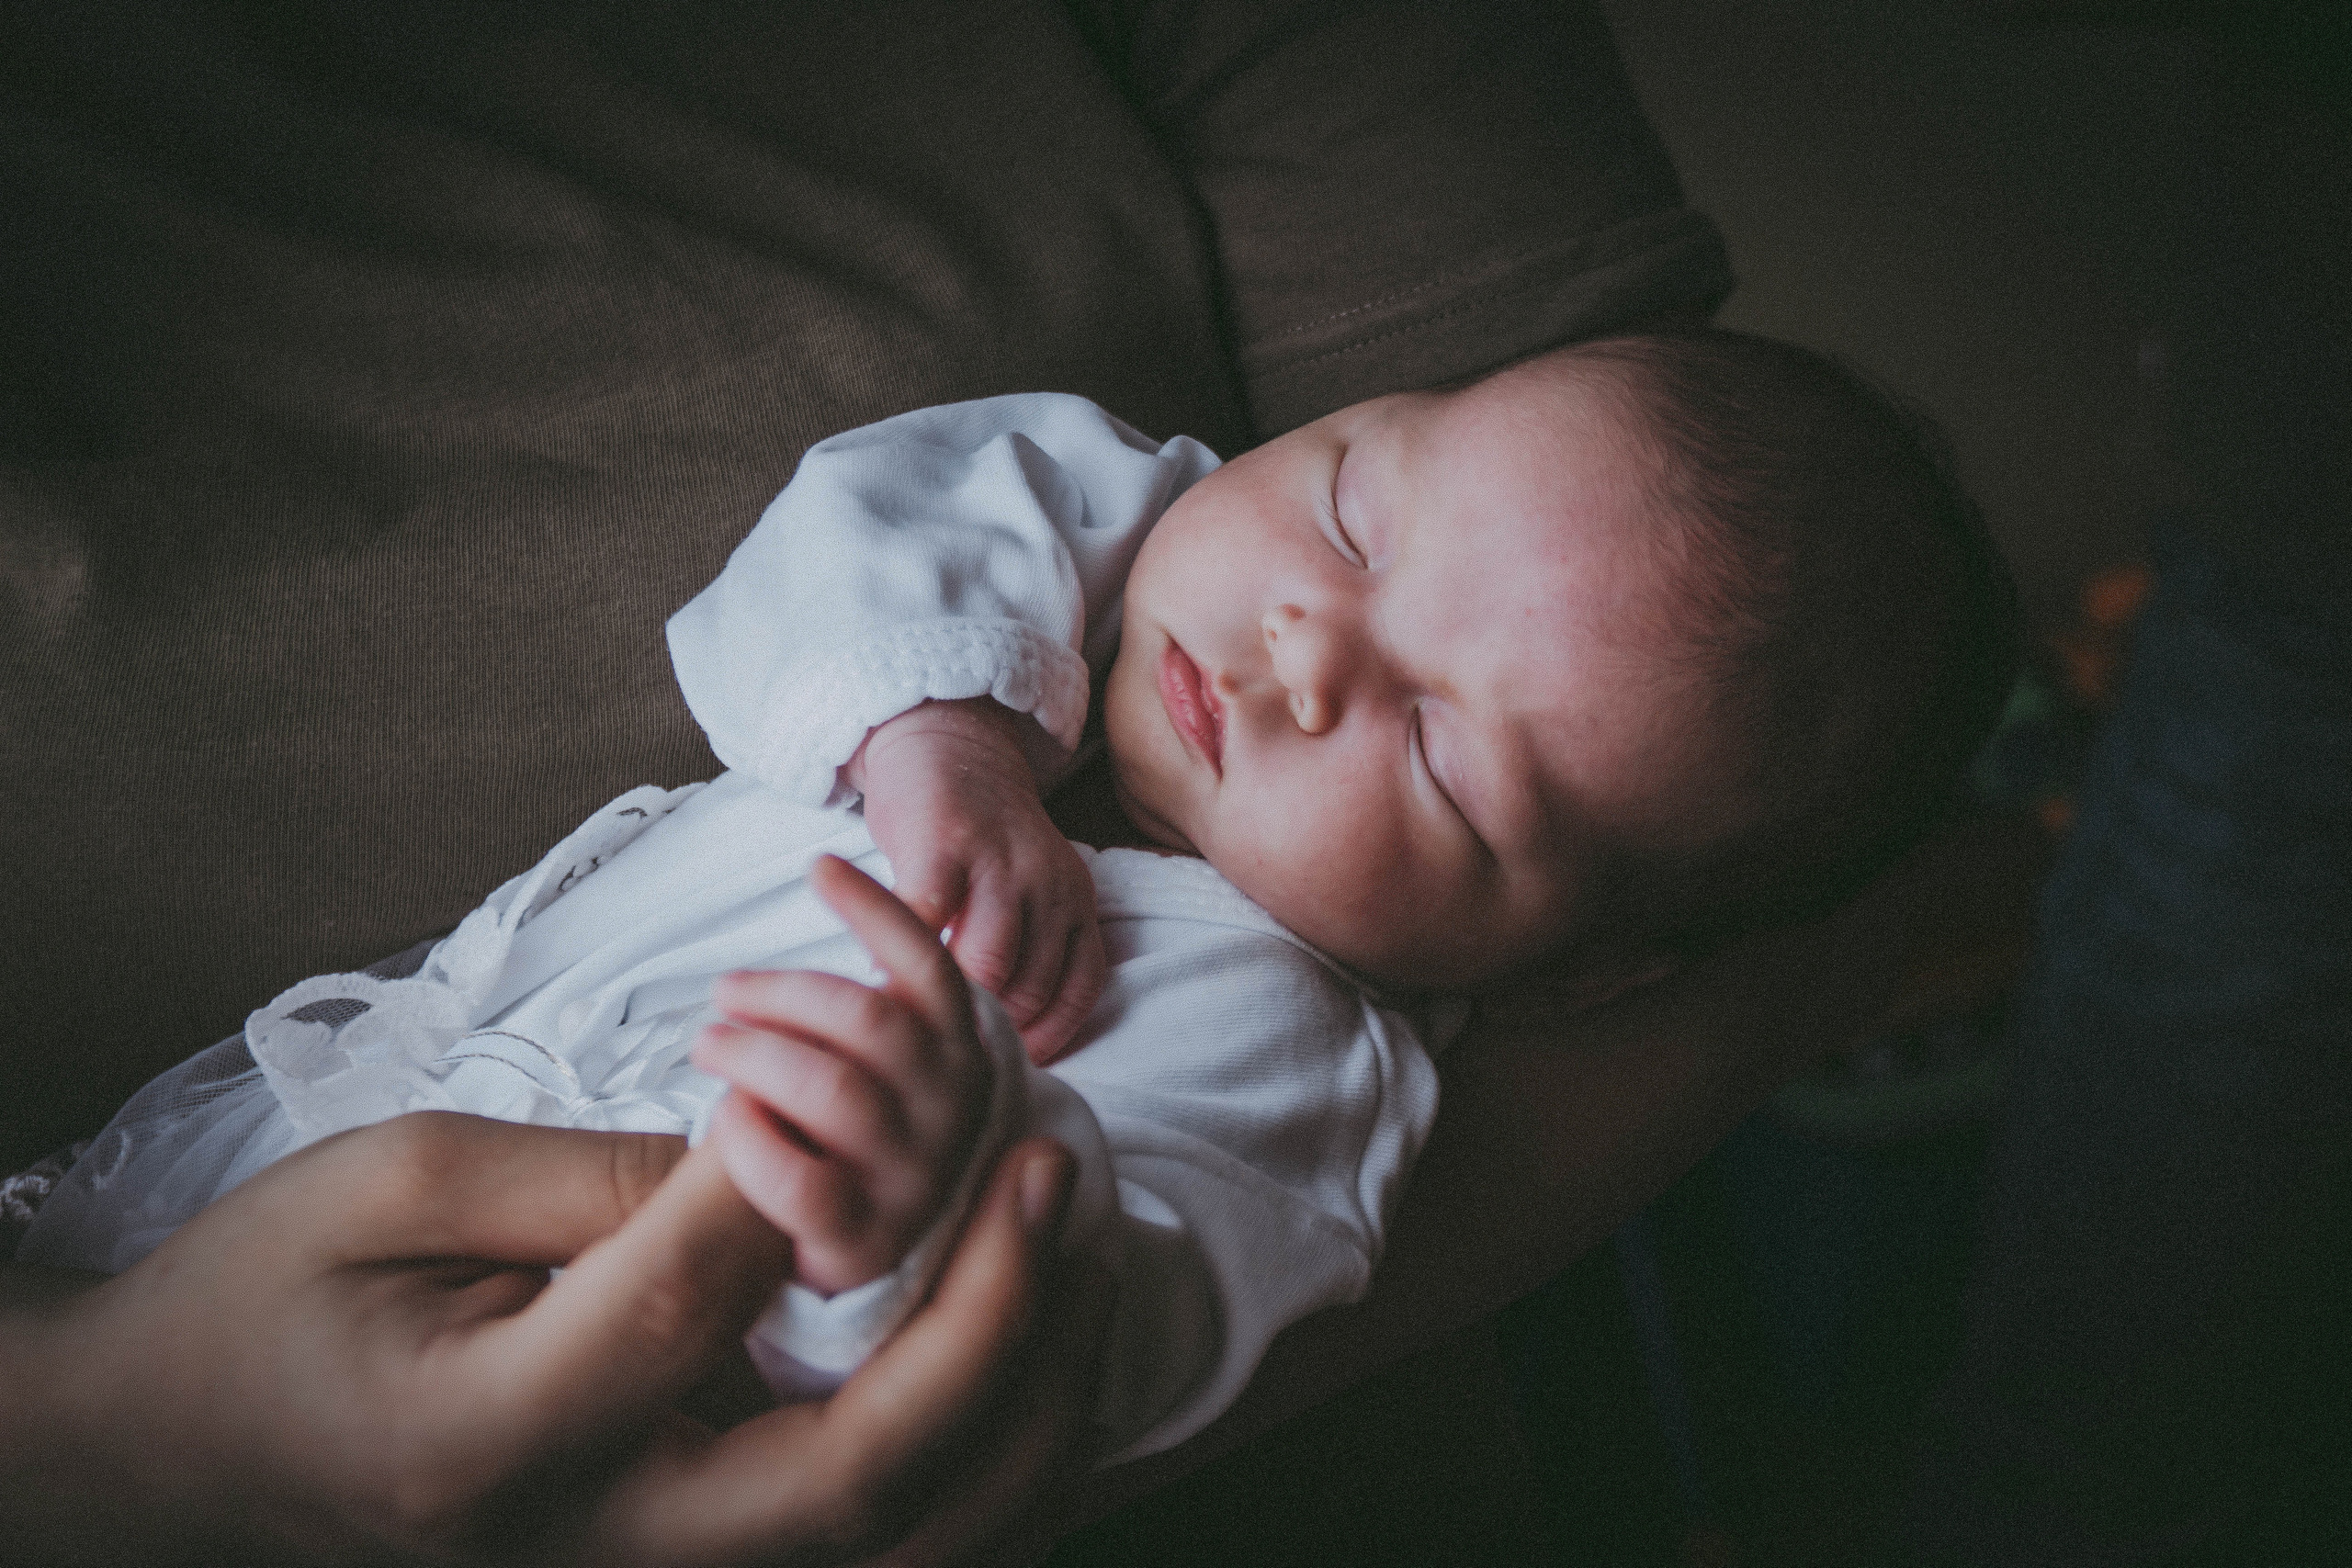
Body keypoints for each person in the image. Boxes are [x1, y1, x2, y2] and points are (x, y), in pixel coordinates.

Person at [24, 327, 2018, 1465]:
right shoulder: (1099, 534)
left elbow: (1077, 1339)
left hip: (503, 1389)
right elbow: (866, 518)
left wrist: (899, 1205)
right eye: (1351, 504)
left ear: (1583, 963)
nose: (1304, 641)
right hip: (205, 1164)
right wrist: (945, 744)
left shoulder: (1290, 1054)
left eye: (1435, 754)